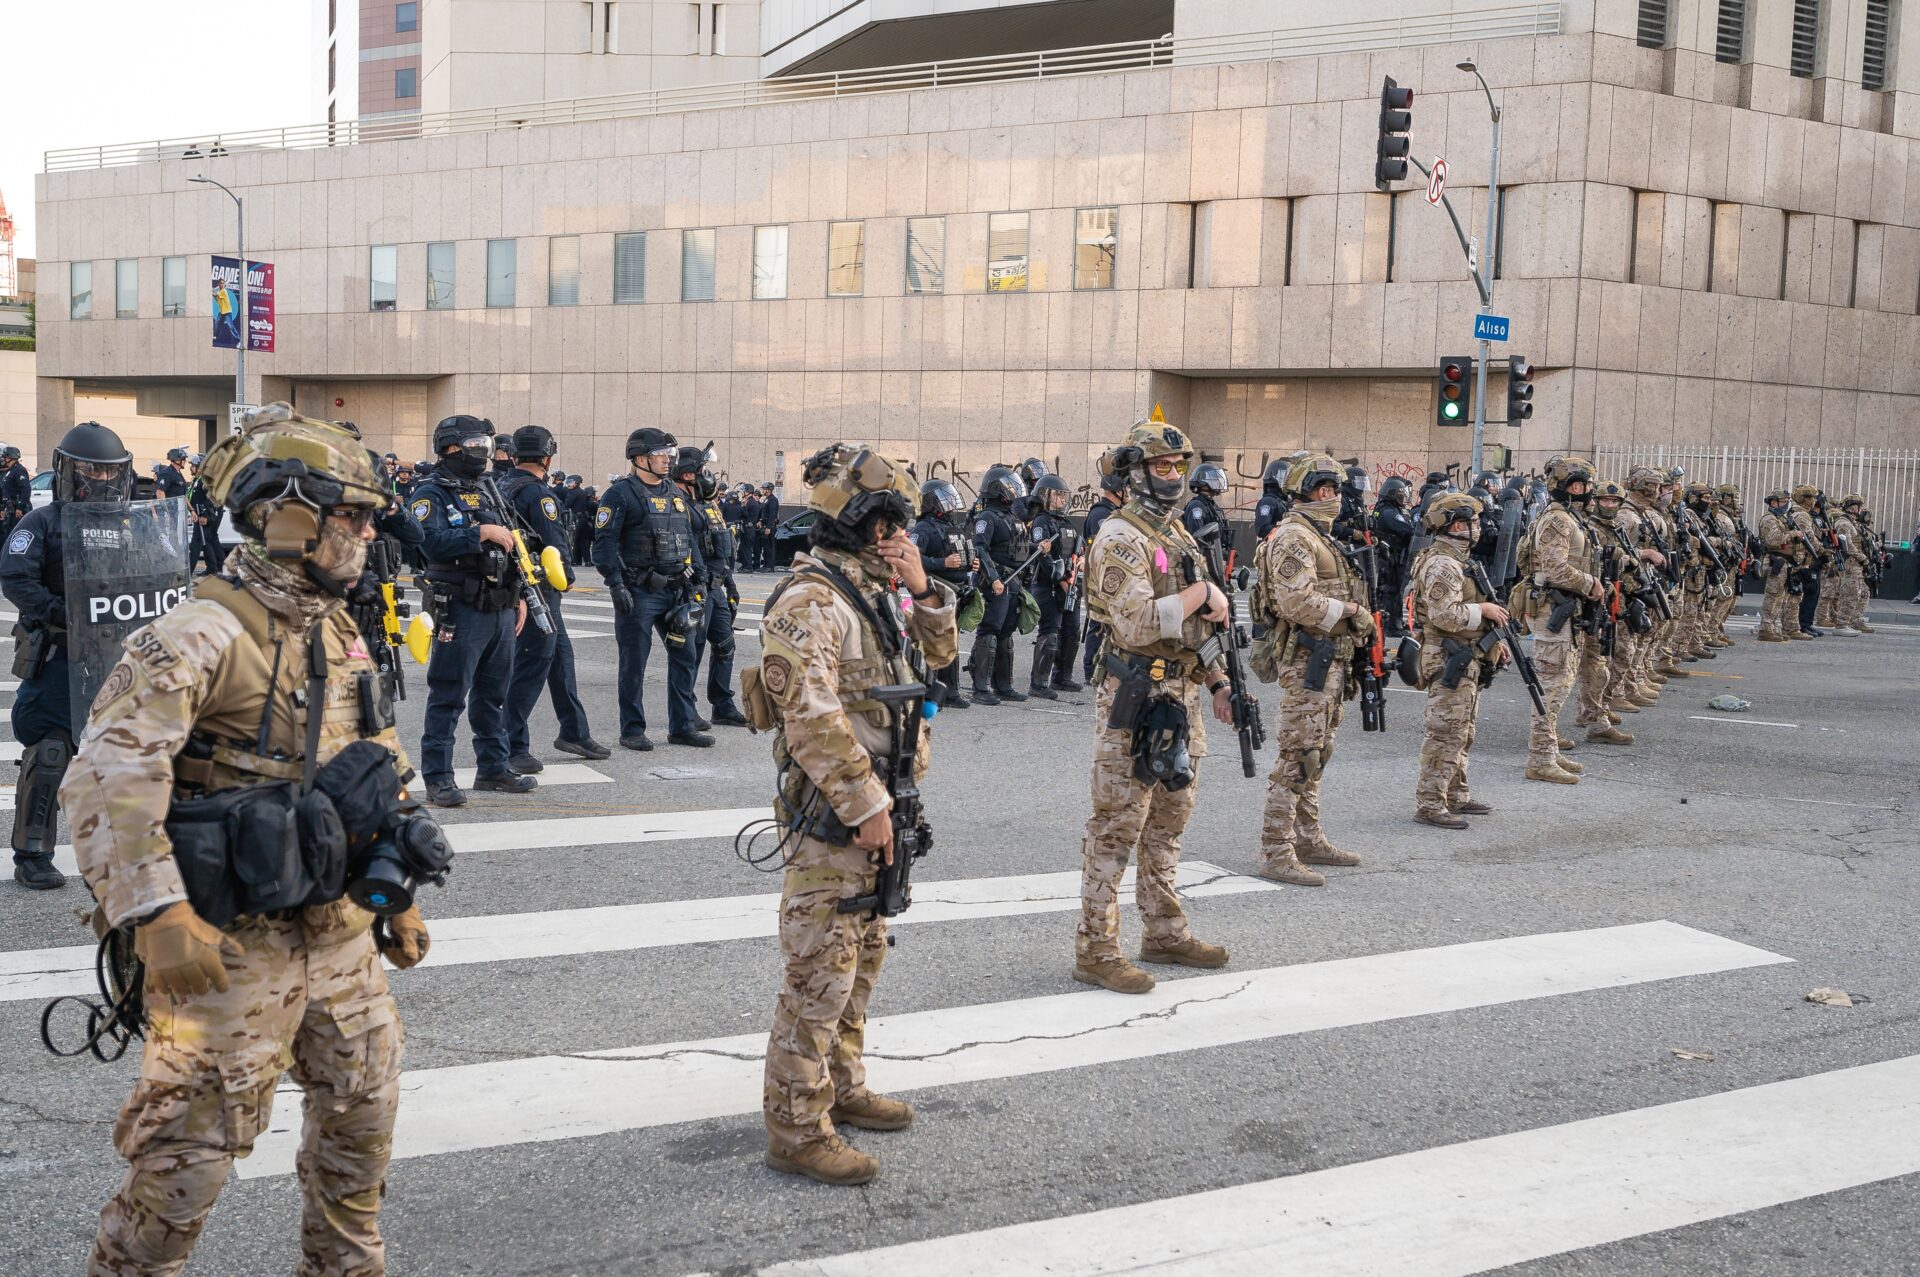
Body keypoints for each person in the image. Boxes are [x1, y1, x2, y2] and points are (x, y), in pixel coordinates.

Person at [61, 405, 433, 1276]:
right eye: (355, 514)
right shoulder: (199, 632)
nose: (369, 532)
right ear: (289, 515)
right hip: (228, 948)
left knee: (361, 1130)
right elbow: (109, 774)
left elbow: (375, 758)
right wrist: (153, 913)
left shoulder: (336, 626)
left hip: (339, 935)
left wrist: (399, 892)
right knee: (181, 1171)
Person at [755, 443, 956, 1186]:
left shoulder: (869, 589)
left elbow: (939, 662)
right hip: (837, 817)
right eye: (882, 524)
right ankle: (797, 1126)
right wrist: (865, 801)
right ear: (849, 523)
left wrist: (924, 586)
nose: (893, 536)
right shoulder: (811, 600)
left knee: (862, 956)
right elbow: (809, 715)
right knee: (819, 972)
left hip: (883, 808)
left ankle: (843, 1083)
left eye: (897, 524)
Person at [1075, 419, 1234, 994]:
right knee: (1118, 823)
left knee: (1170, 819)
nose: (1171, 477)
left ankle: (1164, 931)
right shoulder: (1121, 537)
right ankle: (1096, 948)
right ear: (1134, 471)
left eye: (1176, 467)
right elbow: (1138, 621)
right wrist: (1203, 593)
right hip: (1134, 694)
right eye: (1160, 467)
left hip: (1182, 693)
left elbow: (1200, 625)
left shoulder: (1179, 536)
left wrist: (1218, 681)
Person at [2, 422, 134, 889]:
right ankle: (32, 854)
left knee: (127, 754)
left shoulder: (130, 523)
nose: (98, 478)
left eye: (106, 471)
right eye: (89, 470)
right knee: (52, 748)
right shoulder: (40, 522)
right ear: (66, 469)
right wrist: (61, 612)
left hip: (117, 657)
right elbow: (15, 578)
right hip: (59, 653)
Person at [1249, 454, 1367, 887]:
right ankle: (1275, 850)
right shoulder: (1296, 537)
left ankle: (1306, 836)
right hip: (1307, 660)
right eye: (1333, 490)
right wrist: (1351, 610)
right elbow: (1295, 602)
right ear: (1319, 491)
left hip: (1329, 658)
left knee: (1317, 752)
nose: (1337, 498)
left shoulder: (1319, 535)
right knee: (1298, 756)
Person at [411, 414, 536, 806]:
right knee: (449, 694)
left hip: (498, 604)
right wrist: (477, 532)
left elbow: (510, 546)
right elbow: (426, 541)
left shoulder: (486, 489)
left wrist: (517, 597)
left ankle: (493, 767)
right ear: (449, 449)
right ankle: (438, 777)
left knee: (492, 694)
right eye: (474, 445)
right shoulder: (430, 492)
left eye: (485, 445)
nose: (482, 452)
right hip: (460, 605)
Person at [593, 427, 711, 750]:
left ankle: (682, 726)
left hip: (677, 590)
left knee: (685, 656)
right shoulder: (620, 494)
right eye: (659, 455)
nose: (666, 460)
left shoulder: (674, 491)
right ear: (639, 458)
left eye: (667, 455)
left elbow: (688, 536)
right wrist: (615, 584)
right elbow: (603, 544)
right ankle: (632, 729)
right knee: (634, 662)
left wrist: (698, 577)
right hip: (639, 592)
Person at [500, 424, 609, 772]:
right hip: (538, 590)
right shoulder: (538, 495)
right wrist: (568, 577)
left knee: (562, 663)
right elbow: (553, 541)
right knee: (530, 667)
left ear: (515, 455)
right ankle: (510, 744)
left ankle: (574, 731)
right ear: (548, 457)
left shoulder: (500, 486)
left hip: (519, 587)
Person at [1406, 493, 1507, 828]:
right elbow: (1444, 614)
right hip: (1448, 655)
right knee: (1445, 732)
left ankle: (1455, 794)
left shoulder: (1459, 560)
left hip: (1465, 654)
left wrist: (1493, 642)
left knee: (1463, 730)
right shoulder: (1443, 564)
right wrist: (1483, 610)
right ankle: (1430, 803)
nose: (1478, 528)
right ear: (1457, 525)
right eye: (1473, 522)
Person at [1512, 456, 1602, 784]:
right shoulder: (1558, 520)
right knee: (1551, 686)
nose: (1587, 491)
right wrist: (1590, 583)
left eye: (1587, 485)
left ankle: (1548, 748)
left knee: (1561, 683)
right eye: (1580, 485)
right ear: (1564, 488)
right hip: (1554, 610)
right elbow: (1554, 569)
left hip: (1567, 611)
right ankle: (1540, 758)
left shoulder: (1570, 518)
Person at [674, 444, 748, 728]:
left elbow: (722, 549)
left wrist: (730, 582)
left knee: (725, 645)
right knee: (693, 650)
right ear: (688, 474)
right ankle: (686, 709)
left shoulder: (708, 506)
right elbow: (683, 550)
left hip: (717, 587)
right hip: (696, 587)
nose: (708, 476)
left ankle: (722, 704)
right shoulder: (679, 504)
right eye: (703, 470)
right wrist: (696, 585)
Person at [909, 478, 975, 708]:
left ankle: (951, 691)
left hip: (956, 590)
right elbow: (913, 558)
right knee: (938, 642)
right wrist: (942, 563)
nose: (949, 503)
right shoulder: (923, 528)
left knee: (951, 642)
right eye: (942, 498)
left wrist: (970, 564)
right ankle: (936, 691)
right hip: (937, 591)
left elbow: (961, 555)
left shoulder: (951, 527)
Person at [967, 469, 1027, 704]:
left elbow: (1016, 548)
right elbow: (980, 549)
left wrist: (1037, 547)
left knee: (1006, 633)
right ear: (996, 489)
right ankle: (980, 687)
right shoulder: (987, 518)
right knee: (990, 630)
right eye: (1008, 485)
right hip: (996, 582)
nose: (1013, 490)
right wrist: (993, 578)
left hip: (1013, 581)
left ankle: (1003, 685)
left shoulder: (1012, 517)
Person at [1026, 473, 1081, 698]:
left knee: (1072, 632)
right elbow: (1043, 556)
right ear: (1045, 497)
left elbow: (1075, 552)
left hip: (1069, 584)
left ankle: (1062, 677)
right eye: (1058, 495)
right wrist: (1060, 581)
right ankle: (1039, 684)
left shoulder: (1066, 523)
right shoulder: (1042, 522)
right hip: (1047, 585)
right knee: (1050, 633)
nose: (1061, 499)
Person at [1079, 452, 1127, 684]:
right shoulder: (1101, 513)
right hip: (1100, 580)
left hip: (1113, 580)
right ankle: (1091, 669)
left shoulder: (1115, 513)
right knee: (1098, 625)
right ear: (1117, 489)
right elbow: (1104, 551)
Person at [1371, 475, 1417, 636]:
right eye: (1401, 494)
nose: (1403, 498)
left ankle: (1393, 623)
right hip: (1390, 557)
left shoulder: (1386, 509)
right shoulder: (1389, 512)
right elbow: (1406, 529)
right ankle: (1392, 626)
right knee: (1392, 592)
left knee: (1393, 591)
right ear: (1393, 494)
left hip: (1390, 556)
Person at [1828, 495, 1872, 636]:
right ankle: (1842, 624)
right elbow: (1847, 546)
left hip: (1856, 564)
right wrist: (1862, 557)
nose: (1862, 509)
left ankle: (1855, 620)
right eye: (1859, 506)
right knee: (1851, 594)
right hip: (1850, 563)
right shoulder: (1844, 523)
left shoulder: (1854, 523)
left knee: (1863, 592)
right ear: (1853, 507)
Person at [1180, 462, 1231, 568]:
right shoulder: (1197, 506)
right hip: (1203, 560)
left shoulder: (1211, 505)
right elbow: (1197, 537)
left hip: (1215, 557)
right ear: (1203, 482)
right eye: (1214, 478)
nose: (1218, 481)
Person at [185, 452, 227, 576]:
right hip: (202, 512)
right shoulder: (198, 479)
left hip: (206, 514)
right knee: (211, 540)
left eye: (193, 465)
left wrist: (204, 515)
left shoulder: (206, 480)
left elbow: (211, 498)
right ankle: (218, 566)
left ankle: (191, 572)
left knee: (198, 542)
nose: (191, 467)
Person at [1252, 456, 1292, 540]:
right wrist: (1285, 530)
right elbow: (1262, 529)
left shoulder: (1284, 501)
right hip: (1271, 548)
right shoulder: (1268, 502)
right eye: (1283, 475)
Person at [0, 445, 31, 541]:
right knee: (7, 533)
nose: (3, 459)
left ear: (9, 458)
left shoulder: (18, 470)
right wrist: (2, 508)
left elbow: (26, 489)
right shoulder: (10, 471)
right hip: (10, 509)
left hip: (18, 509)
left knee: (17, 534)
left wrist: (20, 508)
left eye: (4, 457)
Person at [756, 481, 782, 569]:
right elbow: (764, 512)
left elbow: (772, 515)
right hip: (765, 524)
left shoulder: (773, 500)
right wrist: (760, 521)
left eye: (764, 489)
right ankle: (766, 564)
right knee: (766, 547)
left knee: (770, 547)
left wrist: (768, 527)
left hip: (769, 526)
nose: (762, 490)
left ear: (768, 490)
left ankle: (770, 566)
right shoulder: (766, 499)